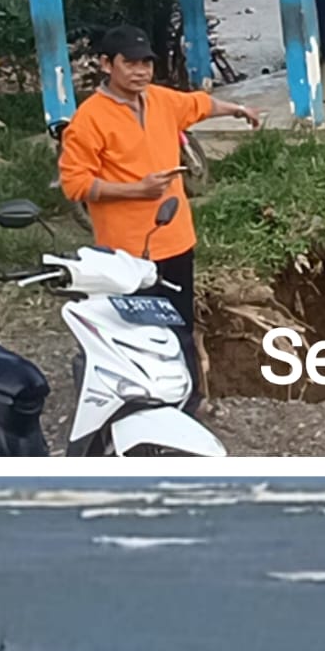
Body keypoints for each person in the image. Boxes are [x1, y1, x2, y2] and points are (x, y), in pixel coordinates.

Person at [58, 24, 260, 411]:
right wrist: (136, 190)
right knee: (140, 331)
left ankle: (189, 400)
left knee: (179, 325)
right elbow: (75, 184)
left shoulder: (161, 100)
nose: (140, 71)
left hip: (176, 240)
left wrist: (238, 109)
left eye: (146, 63)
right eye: (129, 63)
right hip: (127, 250)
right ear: (106, 64)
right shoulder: (89, 120)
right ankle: (145, 405)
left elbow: (199, 104)